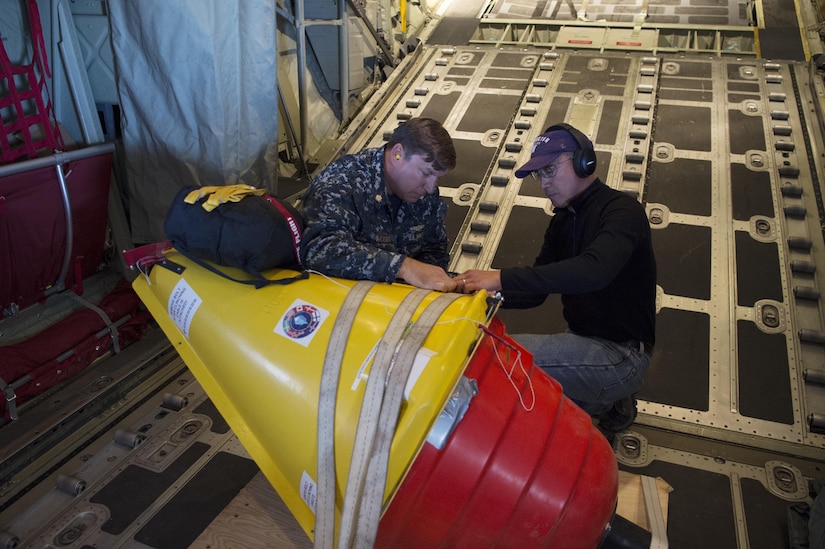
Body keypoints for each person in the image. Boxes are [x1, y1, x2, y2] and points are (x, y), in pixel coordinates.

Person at [458, 123, 656, 432]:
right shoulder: (563, 222)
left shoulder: (621, 212)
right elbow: (534, 293)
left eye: (550, 170)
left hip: (621, 354)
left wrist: (499, 278)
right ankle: (605, 402)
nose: (544, 184)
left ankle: (612, 394)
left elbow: (594, 271)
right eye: (540, 175)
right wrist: (473, 296)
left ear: (584, 162)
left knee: (497, 358)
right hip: (583, 340)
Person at [300, 117, 459, 292]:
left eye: (437, 178)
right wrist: (403, 267)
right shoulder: (343, 183)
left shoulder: (424, 195)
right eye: (425, 173)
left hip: (397, 304)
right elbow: (320, 249)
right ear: (398, 154)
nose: (430, 188)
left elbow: (434, 249)